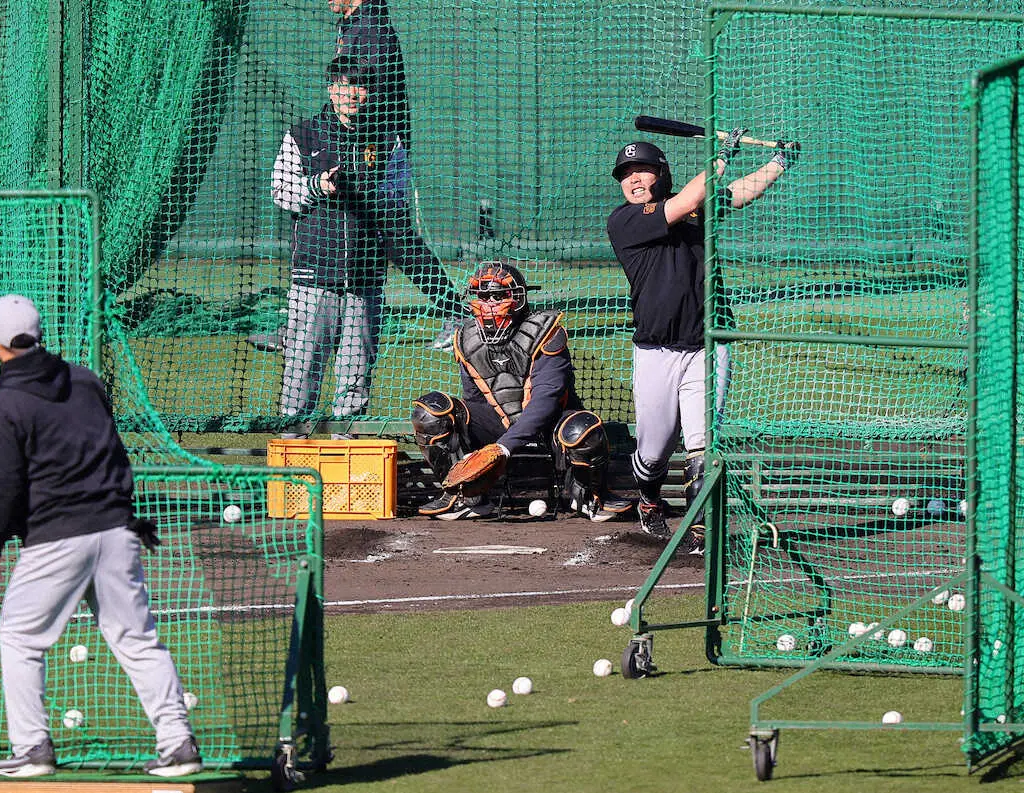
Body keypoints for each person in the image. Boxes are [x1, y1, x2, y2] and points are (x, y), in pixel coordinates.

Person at [0, 295, 202, 779]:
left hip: (57, 537)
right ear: (38, 335)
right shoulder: (85, 380)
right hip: (117, 529)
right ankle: (178, 743)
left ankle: (32, 748)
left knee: (19, 636)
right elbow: (112, 451)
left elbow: (2, 486)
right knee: (137, 639)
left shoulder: (2, 406)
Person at [606, 130, 798, 554]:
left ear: (662, 174)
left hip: (709, 344)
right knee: (653, 454)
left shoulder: (697, 208)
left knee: (703, 446)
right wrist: (720, 156)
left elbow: (735, 194)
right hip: (655, 350)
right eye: (627, 175)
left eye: (643, 171)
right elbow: (691, 199)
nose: (634, 180)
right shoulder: (624, 221)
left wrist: (779, 163)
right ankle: (650, 498)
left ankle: (699, 536)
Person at [250, 0, 466, 356]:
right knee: (362, 232)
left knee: (393, 236)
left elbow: (367, 98)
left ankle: (456, 313)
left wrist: (369, 151)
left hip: (370, 151)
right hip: (359, 146)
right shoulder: (355, 25)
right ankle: (297, 326)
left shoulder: (370, 32)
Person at [410, 261, 632, 522]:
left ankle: (585, 496)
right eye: (482, 296)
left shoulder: (547, 332)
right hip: (500, 422)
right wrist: (471, 448)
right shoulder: (466, 338)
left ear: (516, 298)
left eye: (497, 295)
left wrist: (504, 448)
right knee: (431, 413)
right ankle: (464, 496)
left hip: (549, 426)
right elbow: (473, 401)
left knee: (581, 429)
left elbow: (546, 401)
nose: (489, 303)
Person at [270, 55, 399, 428]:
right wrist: (319, 186)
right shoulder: (303, 134)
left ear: (370, 92)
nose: (351, 94)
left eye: (359, 86)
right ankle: (294, 459)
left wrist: (370, 195)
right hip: (313, 278)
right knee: (301, 374)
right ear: (330, 88)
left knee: (355, 381)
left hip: (365, 281)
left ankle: (347, 458)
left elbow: (397, 198)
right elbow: (280, 191)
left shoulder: (386, 139)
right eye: (343, 85)